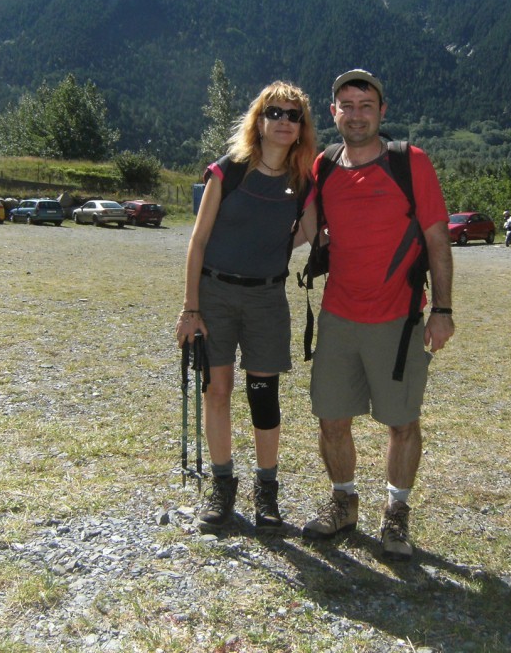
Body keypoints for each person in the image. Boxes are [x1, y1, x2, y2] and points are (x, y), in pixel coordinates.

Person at [299, 69, 454, 560]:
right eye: (347, 104)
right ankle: (344, 502)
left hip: (399, 317)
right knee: (330, 418)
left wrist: (443, 309)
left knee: (402, 422)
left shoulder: (410, 163)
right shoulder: (323, 167)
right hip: (338, 316)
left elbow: (437, 240)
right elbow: (305, 227)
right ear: (334, 114)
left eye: (366, 105)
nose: (357, 113)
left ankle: (397, 514)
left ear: (381, 112)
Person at [175, 80, 317, 532]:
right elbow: (197, 243)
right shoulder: (228, 171)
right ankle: (222, 488)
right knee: (217, 391)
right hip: (214, 295)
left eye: (293, 115)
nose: (283, 121)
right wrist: (190, 309)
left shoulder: (303, 181)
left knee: (264, 396)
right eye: (274, 112)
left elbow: (312, 233)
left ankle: (266, 494)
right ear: (259, 119)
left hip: (266, 298)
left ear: (301, 128)